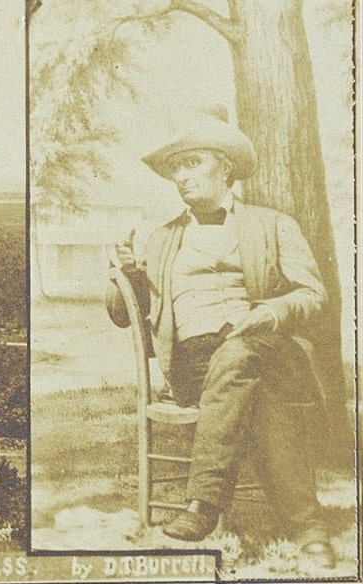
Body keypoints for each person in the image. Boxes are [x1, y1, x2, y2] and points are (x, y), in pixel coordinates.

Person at [106, 106, 336, 568]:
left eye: (193, 164)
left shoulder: (273, 225)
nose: (182, 178)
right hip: (195, 364)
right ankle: (309, 528)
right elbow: (122, 315)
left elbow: (314, 296)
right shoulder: (162, 239)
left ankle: (203, 504)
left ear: (225, 167)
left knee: (246, 359)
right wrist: (128, 272)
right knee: (255, 383)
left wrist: (269, 313)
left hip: (265, 345)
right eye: (176, 169)